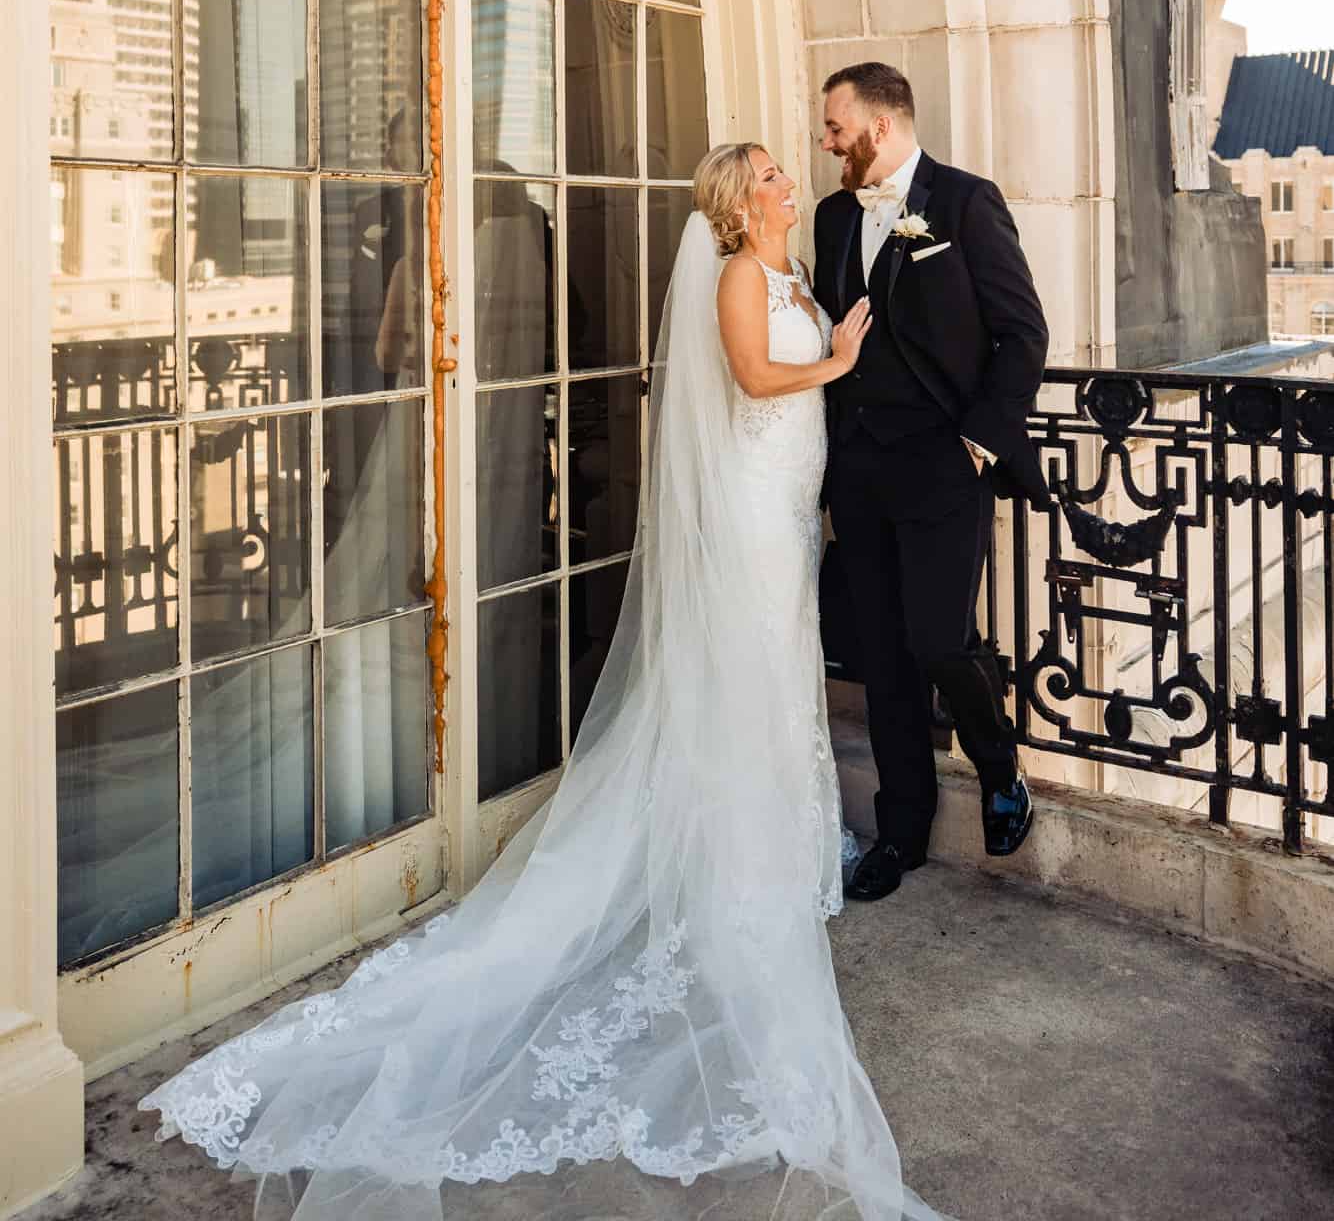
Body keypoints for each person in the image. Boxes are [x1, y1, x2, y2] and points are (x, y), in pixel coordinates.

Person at [141, 143, 948, 1221]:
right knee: (748, 670)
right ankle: (730, 860)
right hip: (755, 511)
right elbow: (756, 380)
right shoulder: (738, 277)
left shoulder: (790, 270)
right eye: (767, 174)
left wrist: (836, 352)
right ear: (735, 198)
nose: (785, 181)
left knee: (779, 670)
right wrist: (835, 364)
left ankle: (782, 839)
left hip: (791, 507)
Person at [813, 63, 1050, 903]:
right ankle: (901, 833)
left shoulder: (964, 201)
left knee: (938, 640)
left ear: (882, 124)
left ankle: (998, 763)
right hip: (863, 470)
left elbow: (1023, 335)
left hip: (949, 466)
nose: (827, 141)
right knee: (884, 657)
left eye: (836, 126)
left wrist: (980, 447)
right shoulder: (834, 215)